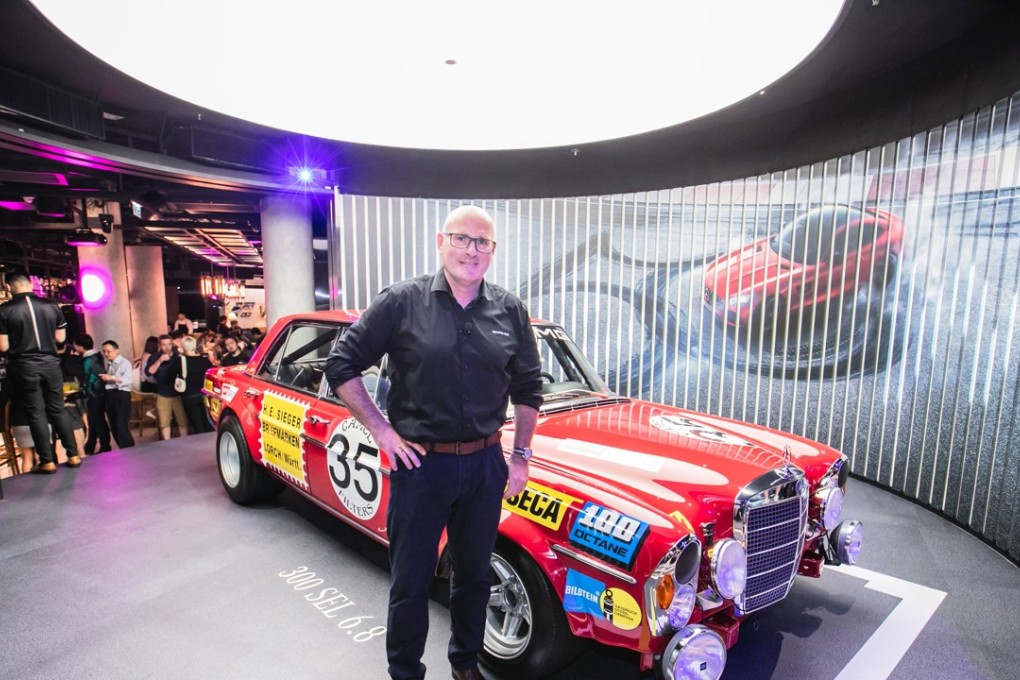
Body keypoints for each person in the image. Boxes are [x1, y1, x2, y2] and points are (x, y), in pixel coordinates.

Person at [324, 206, 542, 680]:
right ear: (440, 241)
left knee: (475, 577)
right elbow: (340, 366)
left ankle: (465, 664)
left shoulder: (510, 310)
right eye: (462, 239)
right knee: (410, 581)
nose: (471, 250)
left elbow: (528, 389)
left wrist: (521, 455)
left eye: (482, 242)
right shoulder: (402, 302)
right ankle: (405, 672)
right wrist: (382, 431)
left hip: (486, 465)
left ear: (494, 251)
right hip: (421, 467)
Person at [0, 272, 80, 473]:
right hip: (51, 364)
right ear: (29, 285)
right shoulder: (51, 305)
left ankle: (48, 461)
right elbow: (61, 338)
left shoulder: (4, 310)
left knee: (36, 412)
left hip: (24, 366)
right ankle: (73, 455)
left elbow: (3, 346)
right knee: (57, 408)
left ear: (9, 287)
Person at [145, 334, 189, 440]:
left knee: (182, 421)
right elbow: (149, 372)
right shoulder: (155, 357)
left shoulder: (177, 355)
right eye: (164, 345)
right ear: (160, 345)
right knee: (164, 423)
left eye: (169, 344)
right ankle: (167, 444)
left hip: (178, 392)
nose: (167, 347)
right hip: (163, 393)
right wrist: (160, 361)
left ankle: (186, 441)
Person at [75, 334, 111, 455]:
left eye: (75, 345)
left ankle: (105, 446)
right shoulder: (96, 356)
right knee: (93, 420)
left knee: (98, 421)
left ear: (80, 346)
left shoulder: (89, 360)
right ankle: (90, 446)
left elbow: (85, 378)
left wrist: (80, 388)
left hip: (95, 394)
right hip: (98, 393)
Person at [99, 340, 136, 449]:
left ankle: (130, 449)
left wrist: (111, 378)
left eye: (108, 351)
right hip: (110, 395)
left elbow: (128, 380)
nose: (106, 354)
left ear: (117, 350)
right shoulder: (110, 363)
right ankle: (123, 449)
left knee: (121, 425)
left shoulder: (124, 363)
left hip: (121, 395)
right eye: (104, 351)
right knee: (114, 425)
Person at [174, 335, 213, 434]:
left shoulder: (180, 361)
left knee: (197, 425)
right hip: (204, 394)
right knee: (208, 423)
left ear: (182, 347)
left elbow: (170, 375)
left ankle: (200, 446)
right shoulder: (204, 360)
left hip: (189, 395)